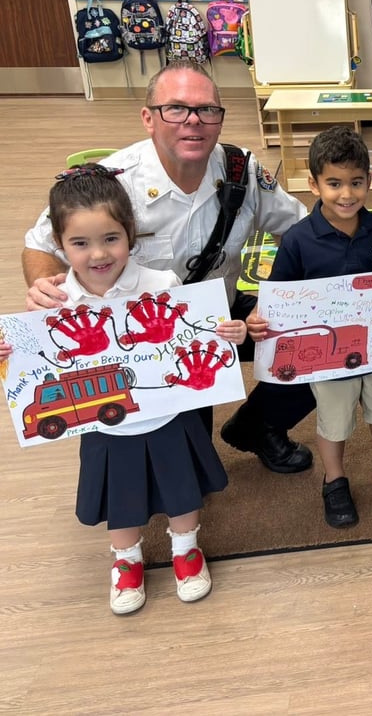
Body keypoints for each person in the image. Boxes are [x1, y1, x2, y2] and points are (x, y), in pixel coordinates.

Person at [23, 61, 313, 475]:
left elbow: (300, 231)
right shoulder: (113, 183)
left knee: (313, 342)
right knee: (187, 471)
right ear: (148, 118)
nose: (193, 122)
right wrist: (42, 286)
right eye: (175, 109)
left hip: (222, 313)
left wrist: (293, 295)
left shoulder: (241, 171)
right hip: (143, 336)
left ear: (219, 118)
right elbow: (39, 245)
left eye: (207, 110)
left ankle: (257, 428)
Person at [5, 165, 246, 614]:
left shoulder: (163, 285)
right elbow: (37, 361)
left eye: (110, 238)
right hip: (104, 425)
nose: (98, 253)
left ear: (130, 234)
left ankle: (186, 551)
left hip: (167, 413)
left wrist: (225, 332)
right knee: (121, 496)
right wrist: (12, 354)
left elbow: (196, 330)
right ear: (59, 245)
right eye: (80, 243)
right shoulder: (53, 303)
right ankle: (126, 561)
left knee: (182, 487)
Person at [248, 126, 372, 530]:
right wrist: (260, 316)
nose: (346, 194)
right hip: (327, 353)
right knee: (333, 419)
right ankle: (335, 480)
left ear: (369, 181)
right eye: (333, 183)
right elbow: (277, 291)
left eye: (356, 183)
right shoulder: (298, 239)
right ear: (313, 184)